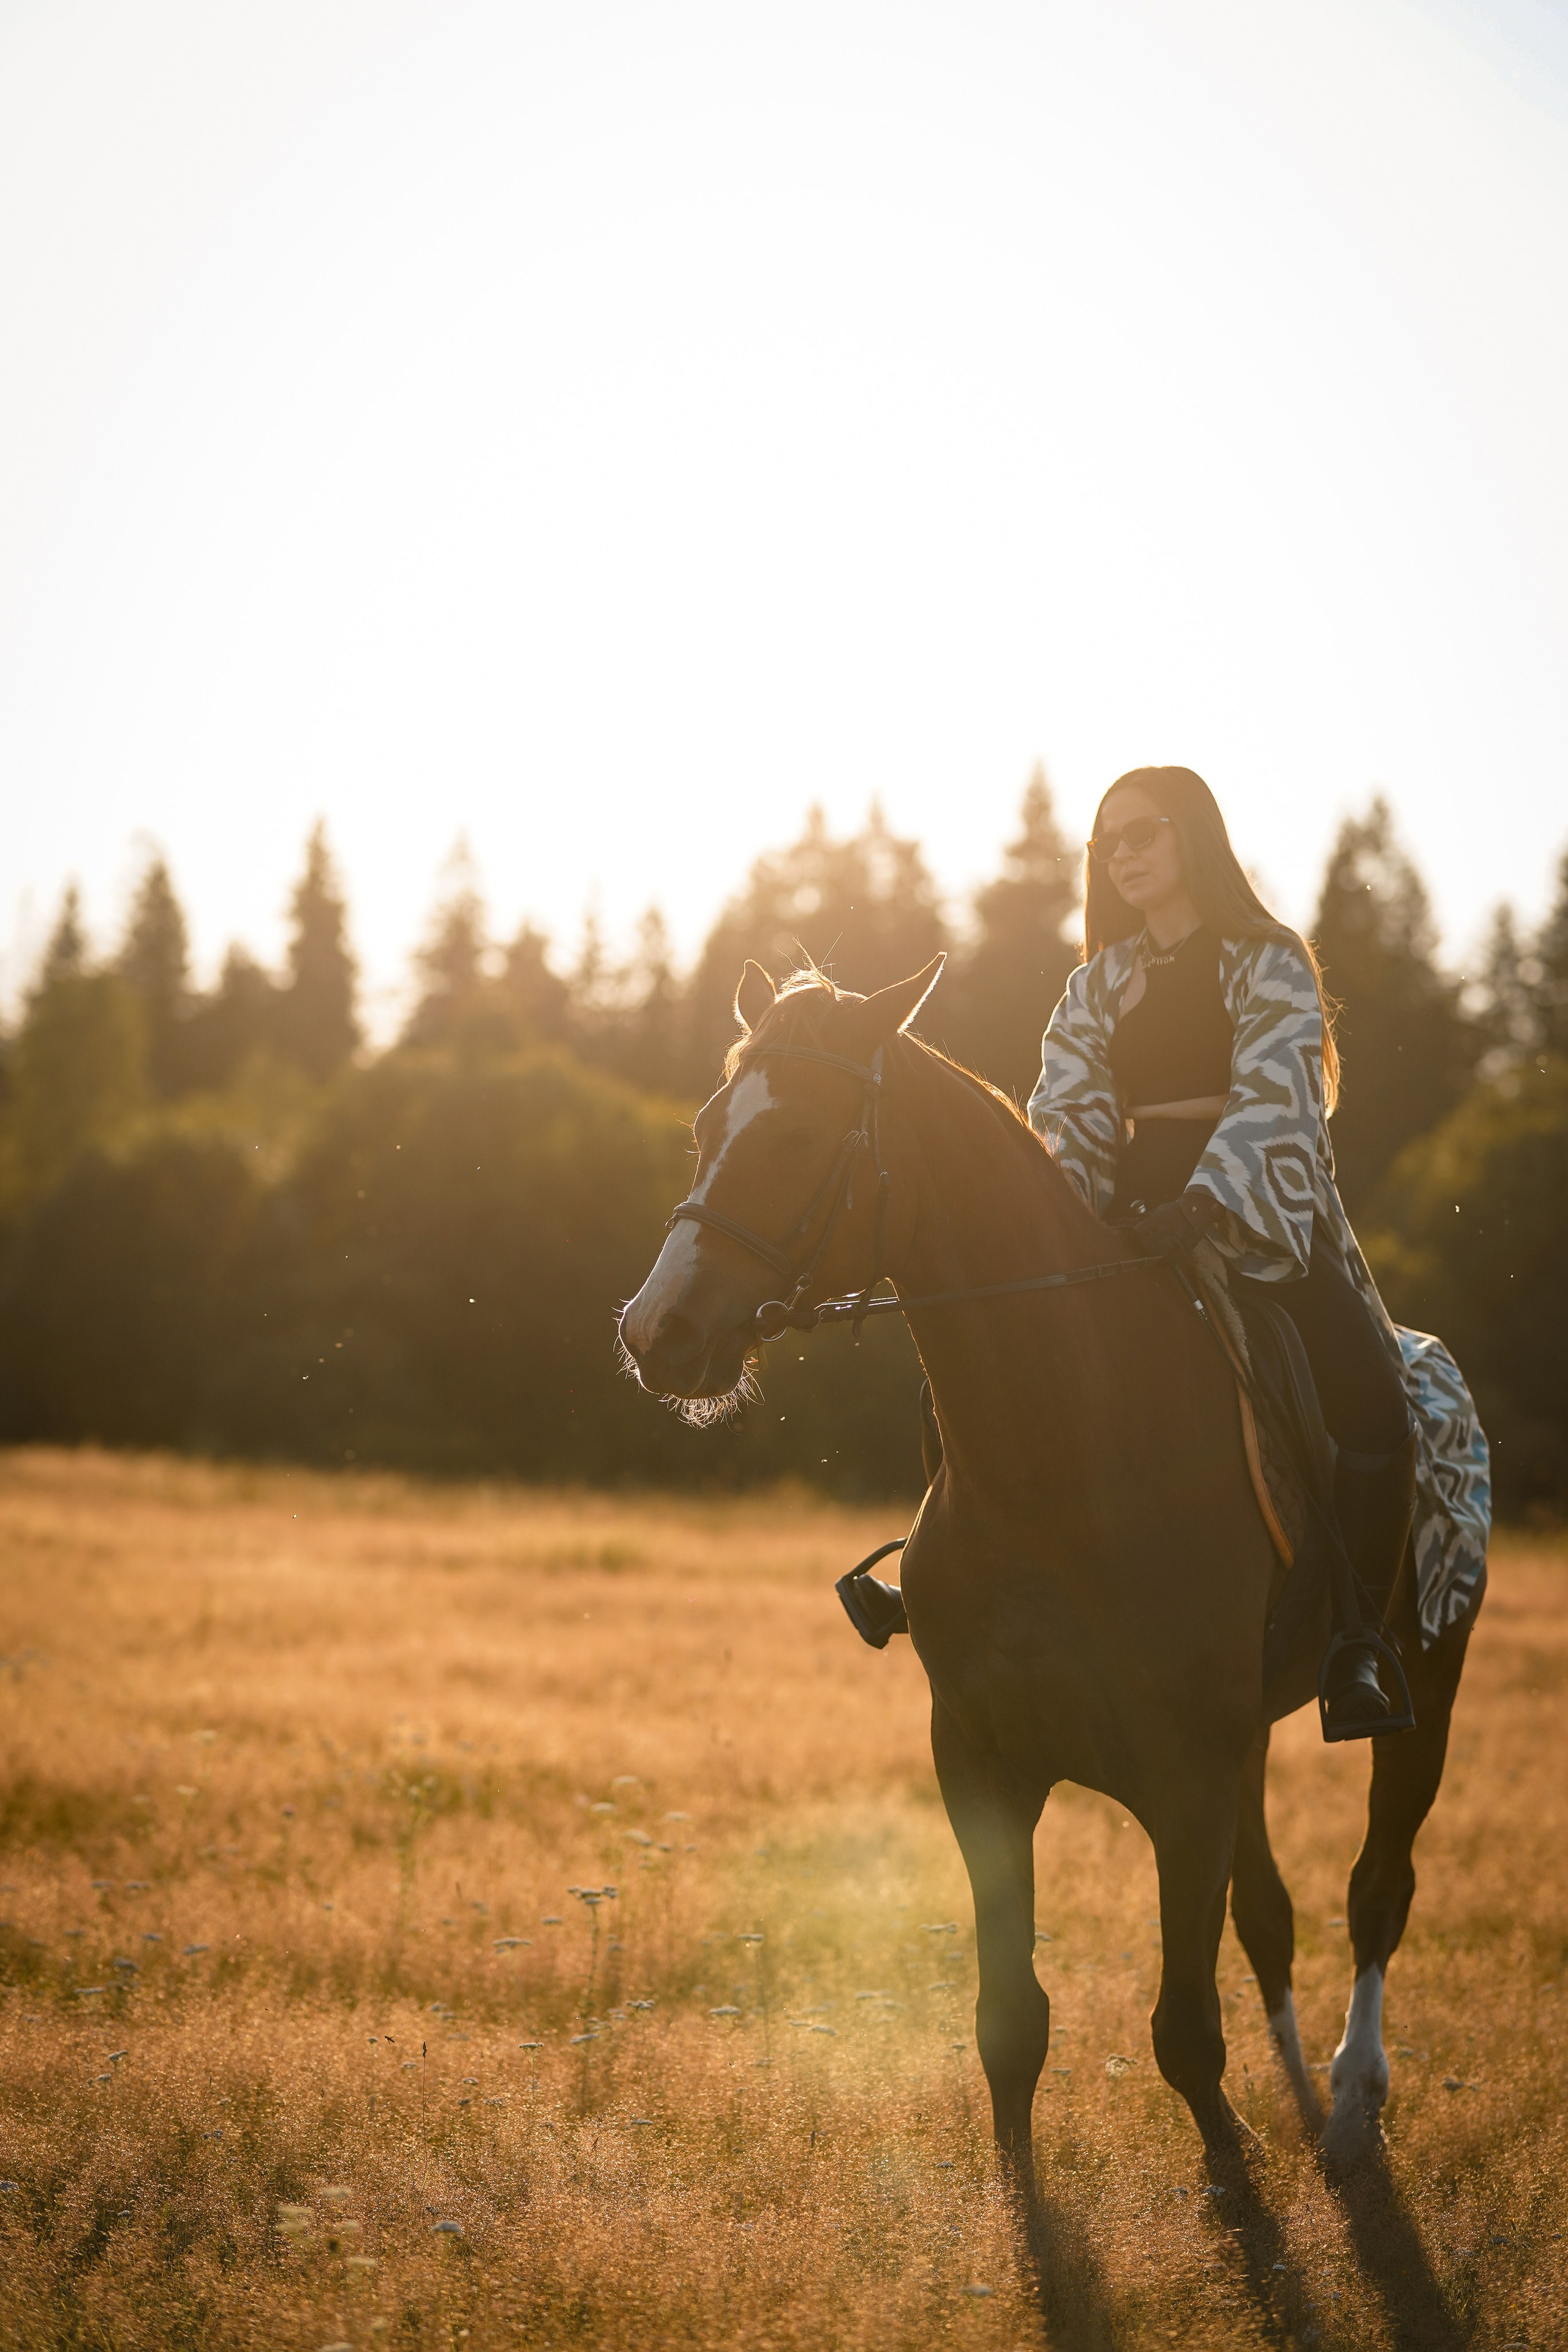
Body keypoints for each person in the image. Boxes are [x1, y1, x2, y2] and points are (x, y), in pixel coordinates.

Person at [1028, 765, 1490, 1737]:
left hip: (1257, 1220)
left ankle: (1358, 1641)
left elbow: (1275, 1101)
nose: (1123, 855)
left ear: (1193, 835)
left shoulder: (1269, 958)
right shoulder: (1093, 985)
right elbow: (1064, 1113)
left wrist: (1199, 1209)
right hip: (1123, 1221)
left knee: (1374, 1400)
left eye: (1143, 833)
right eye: (1107, 842)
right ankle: (953, 1570)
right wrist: (1079, 1216)